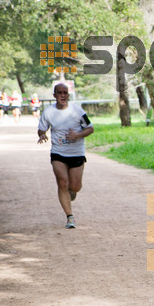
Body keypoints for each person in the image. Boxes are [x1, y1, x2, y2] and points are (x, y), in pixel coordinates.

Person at [37, 83, 94, 229]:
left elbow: (90, 128)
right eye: (59, 93)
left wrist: (78, 135)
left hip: (76, 153)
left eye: (65, 93)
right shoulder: (48, 112)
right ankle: (70, 217)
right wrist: (42, 134)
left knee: (75, 186)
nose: (62, 95)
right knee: (62, 182)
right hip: (58, 153)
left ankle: (72, 191)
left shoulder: (77, 111)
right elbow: (41, 129)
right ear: (54, 95)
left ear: (68, 95)